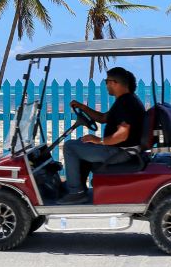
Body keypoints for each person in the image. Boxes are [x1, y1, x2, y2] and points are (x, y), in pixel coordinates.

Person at [60, 66, 145, 204]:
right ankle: (77, 185)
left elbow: (122, 134)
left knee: (70, 147)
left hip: (120, 152)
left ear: (114, 83)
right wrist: (83, 108)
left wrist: (99, 141)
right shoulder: (126, 100)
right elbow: (104, 118)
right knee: (84, 144)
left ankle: (76, 192)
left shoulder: (126, 103)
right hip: (121, 149)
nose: (106, 84)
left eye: (107, 81)